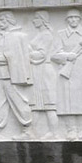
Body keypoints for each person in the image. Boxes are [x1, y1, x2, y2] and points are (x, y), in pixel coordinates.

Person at [0, 10, 33, 139]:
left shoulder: (16, 36)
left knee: (19, 101)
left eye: (2, 21)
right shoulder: (5, 36)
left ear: (9, 21)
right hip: (0, 75)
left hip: (12, 76)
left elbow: (13, 57)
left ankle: (27, 130)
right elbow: (2, 53)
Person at [51, 8, 82, 140]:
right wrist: (68, 56)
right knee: (67, 100)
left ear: (80, 19)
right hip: (68, 69)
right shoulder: (60, 34)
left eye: (76, 17)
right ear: (67, 20)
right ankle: (71, 130)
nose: (73, 20)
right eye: (70, 17)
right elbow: (54, 55)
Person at [29, 10, 59, 139]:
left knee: (49, 104)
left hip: (44, 71)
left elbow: (41, 55)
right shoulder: (40, 34)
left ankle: (54, 133)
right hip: (36, 70)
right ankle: (30, 132)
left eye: (36, 18)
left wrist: (26, 52)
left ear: (42, 20)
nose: (33, 21)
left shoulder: (46, 35)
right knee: (35, 104)